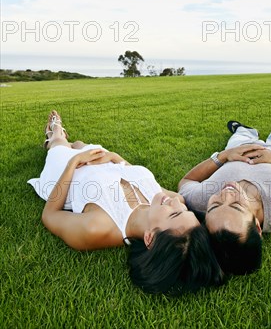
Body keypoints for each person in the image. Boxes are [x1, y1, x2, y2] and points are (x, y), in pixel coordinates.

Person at [28, 110, 223, 294]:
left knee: (60, 142)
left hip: (64, 171)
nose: (176, 202)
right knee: (78, 142)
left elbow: (50, 215)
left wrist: (74, 162)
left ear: (150, 238)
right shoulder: (167, 200)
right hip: (104, 159)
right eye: (185, 210)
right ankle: (69, 142)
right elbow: (133, 173)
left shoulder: (97, 227)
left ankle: (54, 132)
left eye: (174, 213)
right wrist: (114, 157)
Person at [178, 121, 271, 276]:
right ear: (257, 227)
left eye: (215, 205)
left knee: (239, 135)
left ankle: (244, 129)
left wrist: (223, 156)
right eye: (237, 205)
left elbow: (186, 182)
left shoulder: (199, 200)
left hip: (238, 149)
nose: (226, 194)